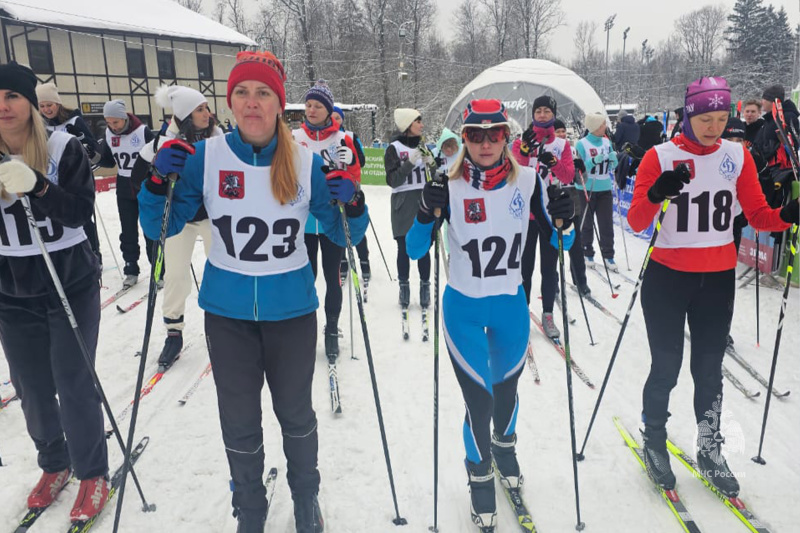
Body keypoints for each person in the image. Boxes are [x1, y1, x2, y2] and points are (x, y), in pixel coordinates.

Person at [139, 51, 367, 533]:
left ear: (278, 103)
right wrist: (157, 182)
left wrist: (354, 200)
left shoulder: (304, 161)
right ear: (230, 101)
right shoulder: (206, 157)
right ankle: (250, 506)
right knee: (239, 419)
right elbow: (161, 226)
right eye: (241, 92)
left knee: (296, 414)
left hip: (291, 312)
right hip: (229, 315)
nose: (251, 102)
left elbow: (343, 233)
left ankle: (306, 497)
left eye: (263, 92)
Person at [406, 99, 575, 530]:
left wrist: (565, 219)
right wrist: (426, 212)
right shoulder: (447, 182)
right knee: (477, 402)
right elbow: (413, 249)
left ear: (507, 137)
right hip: (463, 307)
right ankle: (479, 475)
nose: (485, 143)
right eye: (475, 135)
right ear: (463, 138)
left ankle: (504, 447)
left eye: (494, 134)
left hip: (510, 306)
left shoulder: (530, 182)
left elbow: (563, 245)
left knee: (505, 395)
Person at [627, 76, 799, 498]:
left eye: (722, 118)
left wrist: (788, 214)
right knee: (665, 368)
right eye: (706, 118)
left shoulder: (736, 155)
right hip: (667, 279)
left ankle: (709, 446)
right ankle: (654, 440)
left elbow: (758, 215)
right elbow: (636, 221)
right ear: (689, 115)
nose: (714, 126)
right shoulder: (659, 156)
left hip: (716, 281)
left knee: (708, 371)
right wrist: (656, 194)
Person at [0, 62, 109, 524]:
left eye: (12, 96)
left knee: (72, 379)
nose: (3, 106)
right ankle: (55, 462)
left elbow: (81, 211)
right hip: (10, 283)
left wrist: (39, 185)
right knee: (32, 388)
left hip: (67, 277)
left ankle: (92, 471)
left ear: (31, 103)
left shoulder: (63, 147)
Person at [131, 85, 221, 368]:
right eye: (200, 109)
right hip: (178, 219)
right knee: (176, 277)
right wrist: (158, 175)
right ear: (184, 116)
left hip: (212, 217)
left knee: (222, 271)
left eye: (207, 107)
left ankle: (224, 326)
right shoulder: (159, 144)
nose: (208, 113)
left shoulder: (220, 141)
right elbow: (137, 183)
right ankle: (173, 332)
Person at [292, 80, 362, 361]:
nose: (311, 110)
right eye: (308, 105)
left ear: (329, 110)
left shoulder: (344, 138)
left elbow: (356, 181)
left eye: (317, 105)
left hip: (333, 219)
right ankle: (304, 328)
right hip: (304, 220)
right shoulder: (294, 137)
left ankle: (331, 328)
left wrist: (353, 163)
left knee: (333, 278)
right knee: (306, 277)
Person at [511, 96, 582, 340]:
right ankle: (522, 313)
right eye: (538, 110)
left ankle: (548, 313)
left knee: (549, 267)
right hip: (526, 215)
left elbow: (569, 174)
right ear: (533, 115)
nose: (542, 115)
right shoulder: (523, 141)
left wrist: (552, 162)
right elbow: (512, 170)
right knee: (525, 267)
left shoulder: (561, 145)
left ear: (553, 114)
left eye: (546, 111)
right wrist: (523, 152)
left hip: (552, 214)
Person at [35, 83, 102, 266]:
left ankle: (94, 254)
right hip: (51, 177)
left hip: (74, 177)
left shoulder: (74, 121)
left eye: (50, 105)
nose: (46, 109)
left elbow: (96, 153)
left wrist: (83, 141)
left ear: (58, 104)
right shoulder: (39, 125)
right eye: (42, 106)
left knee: (82, 219)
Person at [96, 99, 156, 288]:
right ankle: (131, 268)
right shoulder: (108, 134)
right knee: (127, 230)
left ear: (124, 118)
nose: (113, 127)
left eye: (116, 122)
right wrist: (93, 154)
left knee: (149, 229)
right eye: (109, 122)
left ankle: (158, 268)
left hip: (144, 185)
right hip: (123, 185)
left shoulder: (142, 131)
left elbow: (156, 157)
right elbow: (108, 161)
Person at [384, 108, 434, 316]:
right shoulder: (393, 149)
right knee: (403, 247)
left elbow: (434, 176)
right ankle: (404, 287)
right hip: (403, 204)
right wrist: (409, 164)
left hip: (423, 201)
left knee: (423, 246)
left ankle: (425, 287)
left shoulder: (423, 147)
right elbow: (392, 180)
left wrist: (433, 164)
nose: (421, 125)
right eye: (417, 121)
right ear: (407, 125)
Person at [331, 105, 371, 286]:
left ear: (342, 120)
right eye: (331, 117)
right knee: (339, 225)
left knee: (356, 225)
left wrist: (352, 158)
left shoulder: (351, 137)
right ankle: (343, 262)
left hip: (352, 187)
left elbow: (361, 160)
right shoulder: (327, 138)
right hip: (334, 188)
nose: (334, 120)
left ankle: (364, 261)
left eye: (337, 118)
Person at [575, 112, 619, 272]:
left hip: (605, 187)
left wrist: (614, 160)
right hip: (587, 187)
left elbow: (612, 166)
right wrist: (592, 161)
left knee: (606, 223)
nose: (604, 127)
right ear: (593, 127)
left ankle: (608, 255)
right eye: (601, 125)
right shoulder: (582, 144)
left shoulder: (606, 142)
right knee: (587, 222)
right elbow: (578, 168)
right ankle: (587, 252)